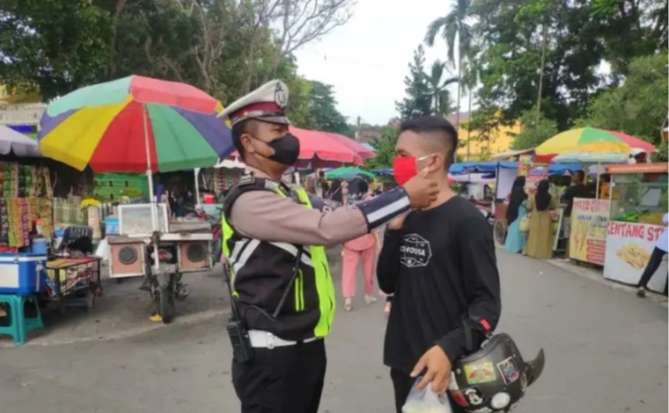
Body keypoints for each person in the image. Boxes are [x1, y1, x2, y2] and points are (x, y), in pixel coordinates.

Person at [217, 80, 439, 413]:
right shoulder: (249, 201)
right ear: (249, 142)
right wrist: (405, 196)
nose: (287, 137)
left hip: (303, 351)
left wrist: (395, 212)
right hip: (271, 358)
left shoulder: (289, 194)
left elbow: (343, 215)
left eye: (286, 128)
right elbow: (327, 228)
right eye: (276, 131)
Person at [376, 115, 501, 413]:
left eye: (403, 155)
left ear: (432, 161)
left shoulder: (467, 221)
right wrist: (394, 229)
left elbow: (487, 304)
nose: (396, 162)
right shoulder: (404, 215)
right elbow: (387, 282)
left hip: (449, 368)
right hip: (405, 362)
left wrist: (448, 348)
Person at [340, 179, 381, 311]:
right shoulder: (370, 200)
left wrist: (342, 244)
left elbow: (343, 223)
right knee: (368, 270)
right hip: (367, 240)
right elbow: (374, 222)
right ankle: (368, 295)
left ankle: (348, 299)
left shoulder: (347, 202)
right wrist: (379, 241)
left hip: (350, 241)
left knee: (348, 271)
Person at [561, 170, 592, 257]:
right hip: (583, 215)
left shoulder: (571, 189)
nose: (573, 177)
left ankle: (567, 253)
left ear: (579, 178)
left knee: (569, 234)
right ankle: (578, 253)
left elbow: (564, 198)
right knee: (580, 234)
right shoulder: (587, 189)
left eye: (575, 176)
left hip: (570, 213)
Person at [637, 213, 668, 299]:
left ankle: (642, 286)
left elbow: (664, 220)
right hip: (663, 243)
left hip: (663, 243)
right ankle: (666, 295)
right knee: (652, 265)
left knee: (652, 265)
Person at [525, 180, 556, 259]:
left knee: (534, 236)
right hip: (546, 218)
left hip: (535, 217)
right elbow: (554, 206)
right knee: (544, 237)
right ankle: (544, 254)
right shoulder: (551, 197)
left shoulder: (533, 196)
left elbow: (529, 207)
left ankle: (532, 252)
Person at [504, 176, 527, 254]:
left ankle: (511, 246)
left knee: (513, 228)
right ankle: (517, 247)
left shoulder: (514, 189)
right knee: (519, 229)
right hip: (520, 211)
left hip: (514, 212)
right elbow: (523, 200)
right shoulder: (520, 190)